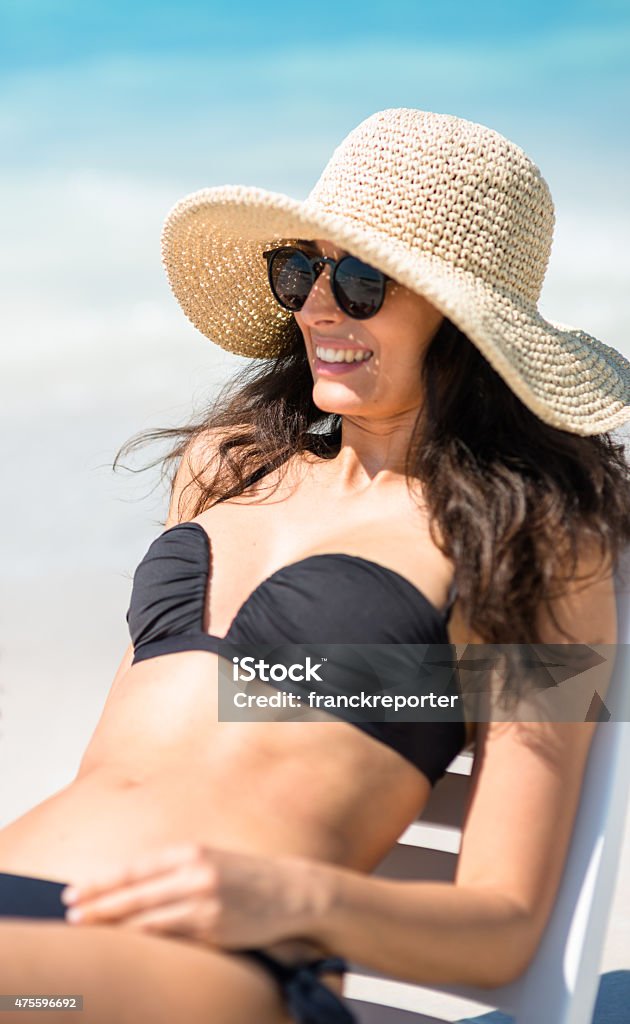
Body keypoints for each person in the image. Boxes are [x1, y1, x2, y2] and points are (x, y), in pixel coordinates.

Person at [0, 107, 629, 1024]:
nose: (316, 306)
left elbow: (505, 923)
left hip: (222, 950)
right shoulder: (227, 465)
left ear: (461, 320)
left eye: (364, 280)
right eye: (300, 270)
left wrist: (292, 899)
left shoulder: (525, 542)